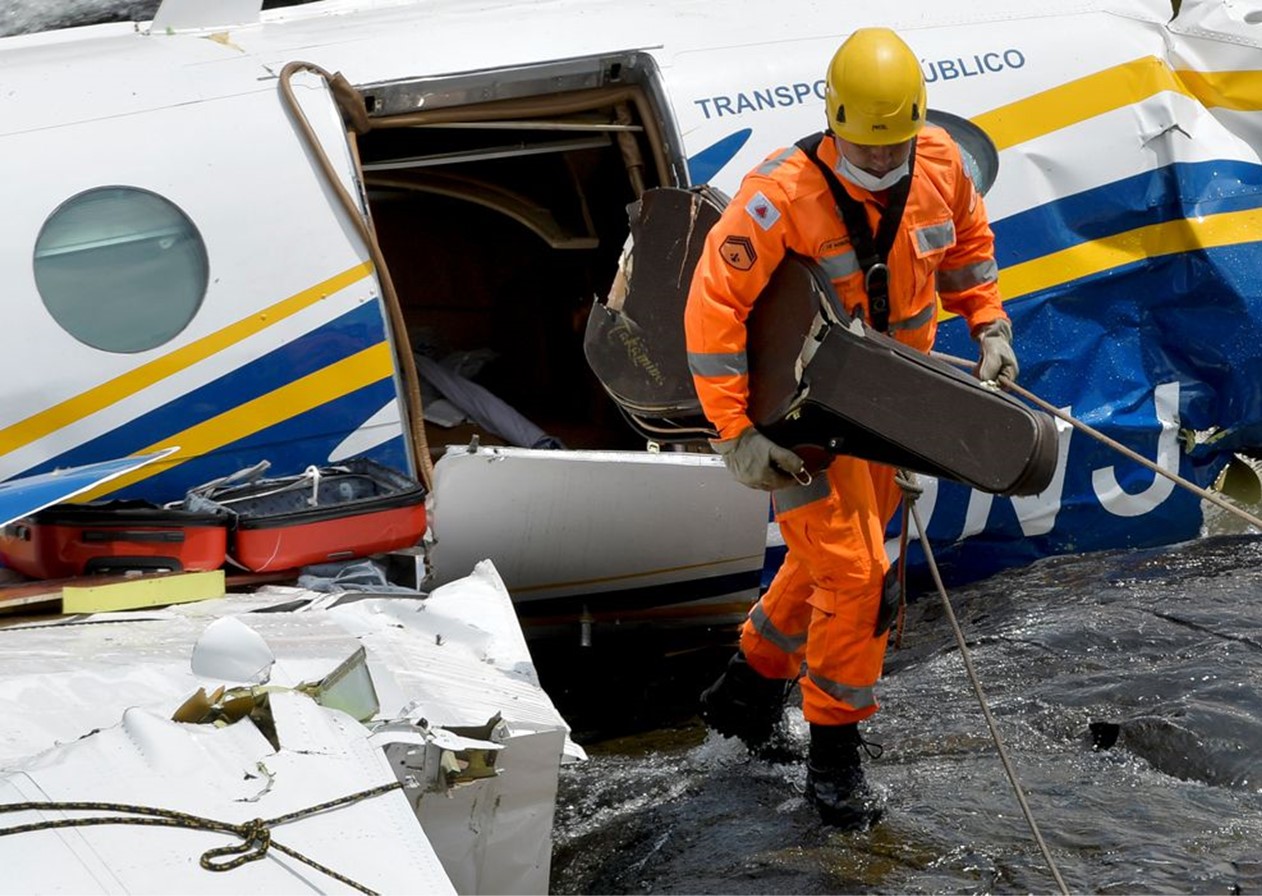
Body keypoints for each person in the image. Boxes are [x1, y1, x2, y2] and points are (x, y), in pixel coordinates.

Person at [683, 26, 1018, 829]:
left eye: (892, 145)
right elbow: (713, 309)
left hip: (893, 409)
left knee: (837, 561)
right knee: (858, 578)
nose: (879, 162)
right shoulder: (779, 197)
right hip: (802, 419)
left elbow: (968, 248)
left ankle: (746, 691)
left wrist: (991, 325)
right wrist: (735, 434)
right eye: (865, 150)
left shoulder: (941, 168)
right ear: (833, 121)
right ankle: (834, 766)